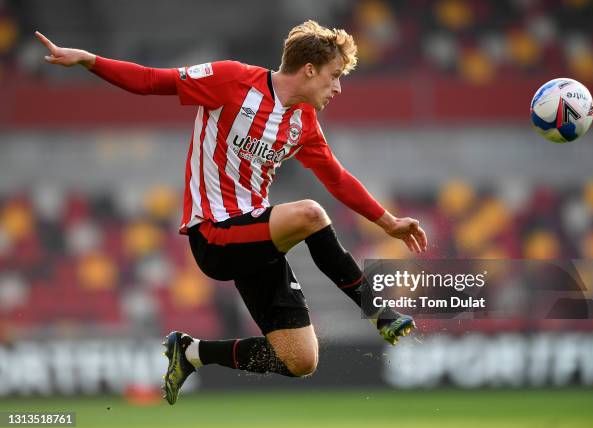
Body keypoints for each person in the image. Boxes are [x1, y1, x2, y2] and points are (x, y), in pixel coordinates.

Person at [35, 20, 428, 405]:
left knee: (300, 360)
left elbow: (337, 178)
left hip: (256, 238)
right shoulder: (231, 80)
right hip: (214, 233)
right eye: (335, 75)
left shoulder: (303, 123)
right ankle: (376, 310)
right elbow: (154, 81)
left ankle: (191, 352)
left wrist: (388, 222)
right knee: (310, 213)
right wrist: (89, 61)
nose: (338, 87)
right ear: (309, 70)